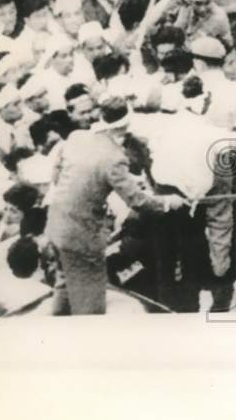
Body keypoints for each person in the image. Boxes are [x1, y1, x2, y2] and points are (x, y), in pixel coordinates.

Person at [45, 96, 185, 314]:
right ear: (124, 128)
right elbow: (138, 201)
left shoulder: (76, 137)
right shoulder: (114, 158)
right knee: (89, 302)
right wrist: (168, 202)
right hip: (82, 236)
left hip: (56, 224)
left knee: (64, 283)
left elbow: (58, 173)